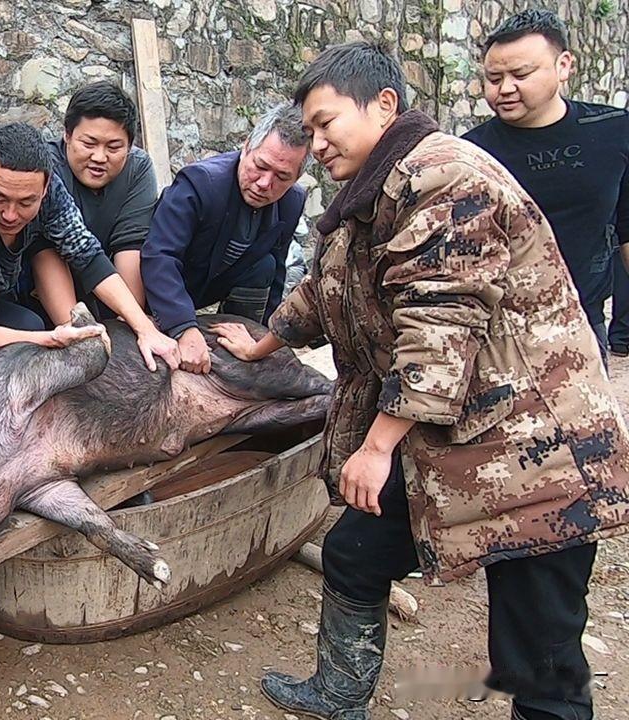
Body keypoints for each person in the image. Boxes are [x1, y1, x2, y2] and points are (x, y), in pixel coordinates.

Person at [212, 42, 629, 720]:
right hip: (453, 444)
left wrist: (376, 448)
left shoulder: (444, 178)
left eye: (325, 123)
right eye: (308, 129)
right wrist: (262, 342)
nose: (314, 143)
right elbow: (332, 289)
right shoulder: (378, 188)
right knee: (355, 551)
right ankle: (338, 695)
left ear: (382, 105)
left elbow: (439, 330)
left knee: (537, 642)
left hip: (531, 449)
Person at [0, 121, 179, 370]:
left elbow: (87, 254)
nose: (10, 215)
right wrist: (51, 338)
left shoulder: (49, 192)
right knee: (30, 326)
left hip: (6, 289)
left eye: (26, 202)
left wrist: (145, 329)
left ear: (45, 187)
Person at [462, 9, 629, 358]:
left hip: (584, 321)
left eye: (521, 74)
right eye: (494, 78)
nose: (505, 88)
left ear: (564, 65)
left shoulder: (614, 131)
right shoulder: (469, 152)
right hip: (497, 333)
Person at [141, 102, 309, 375]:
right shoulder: (199, 184)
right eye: (260, 166)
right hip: (166, 283)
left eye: (282, 177)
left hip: (221, 278)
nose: (265, 183)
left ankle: (235, 354)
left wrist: (265, 339)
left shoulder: (292, 201)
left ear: (296, 178)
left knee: (265, 266)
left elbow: (277, 269)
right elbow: (160, 255)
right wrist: (184, 327)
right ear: (246, 148)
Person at [23, 81, 159, 321]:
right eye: (89, 144)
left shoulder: (138, 169)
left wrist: (130, 321)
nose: (99, 157)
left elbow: (130, 246)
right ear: (67, 135)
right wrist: (76, 330)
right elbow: (43, 252)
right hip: (40, 288)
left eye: (114, 147)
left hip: (105, 283)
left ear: (130, 144)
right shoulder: (45, 167)